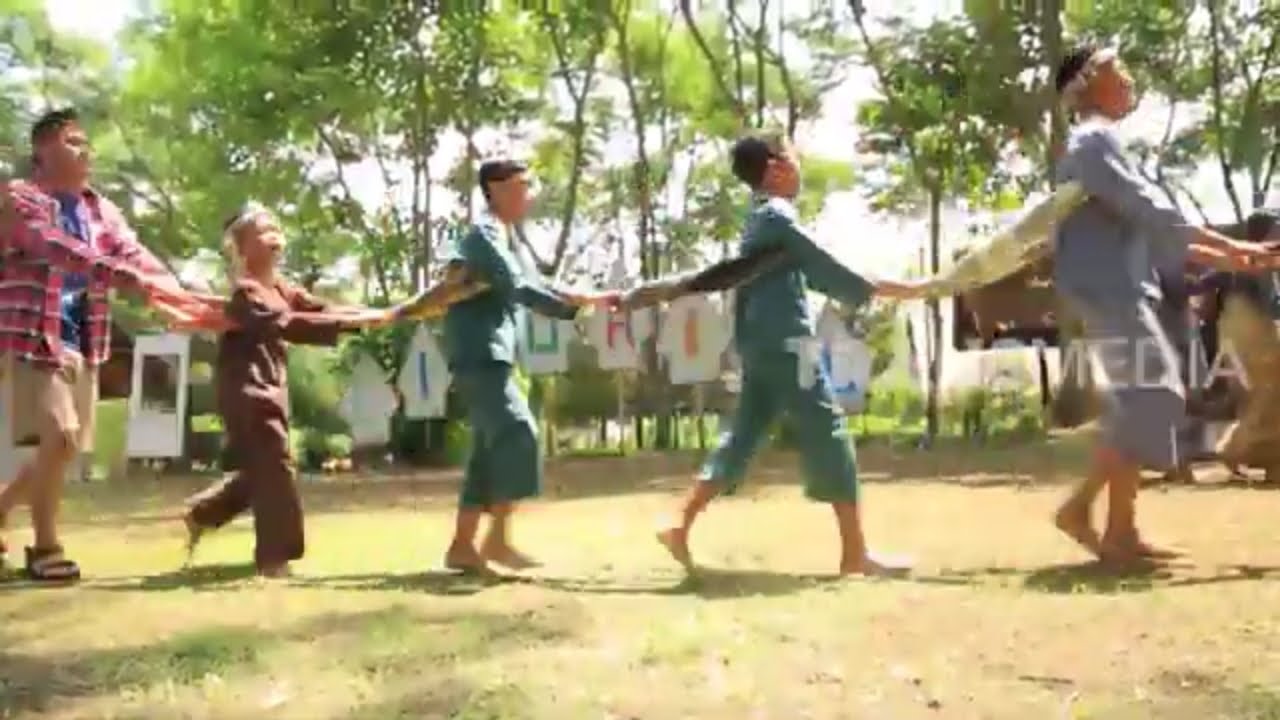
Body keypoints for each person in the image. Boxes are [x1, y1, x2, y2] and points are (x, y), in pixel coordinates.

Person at [655, 132, 929, 577]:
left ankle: (678, 524)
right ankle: (855, 554)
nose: (800, 169)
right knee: (830, 430)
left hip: (759, 343)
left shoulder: (757, 219)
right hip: (786, 341)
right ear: (776, 168)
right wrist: (904, 288)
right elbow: (828, 265)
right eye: (795, 160)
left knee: (743, 434)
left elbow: (814, 271)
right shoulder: (777, 216)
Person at [1049, 46, 1280, 569]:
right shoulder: (1093, 142)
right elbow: (1157, 214)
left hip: (1122, 286)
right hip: (1109, 289)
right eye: (1117, 70)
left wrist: (1235, 255)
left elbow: (1161, 228)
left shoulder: (1103, 144)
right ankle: (1080, 509)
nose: (1129, 79)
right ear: (1087, 84)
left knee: (1143, 398)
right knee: (1154, 395)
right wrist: (1237, 252)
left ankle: (1121, 531)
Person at [0, 107, 214, 581]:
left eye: (86, 143)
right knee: (61, 434)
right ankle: (45, 549)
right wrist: (125, 276)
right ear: (43, 150)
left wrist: (183, 298)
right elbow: (50, 246)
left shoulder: (101, 210)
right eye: (73, 142)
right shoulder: (21, 198)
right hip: (38, 333)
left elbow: (137, 256)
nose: (85, 151)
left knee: (62, 448)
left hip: (87, 338)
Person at [180, 203, 392, 578]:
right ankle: (273, 558)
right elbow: (290, 324)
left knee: (266, 466)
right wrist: (348, 323)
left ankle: (203, 514)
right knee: (274, 464)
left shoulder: (280, 287)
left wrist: (368, 316)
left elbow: (318, 309)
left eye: (276, 228)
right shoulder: (246, 293)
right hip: (245, 388)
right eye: (263, 231)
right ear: (243, 247)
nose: (274, 235)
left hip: (269, 384)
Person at [438, 159, 617, 574]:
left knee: (487, 452)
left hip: (491, 356)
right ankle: (497, 540)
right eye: (520, 187)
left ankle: (462, 547)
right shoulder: (484, 234)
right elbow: (516, 285)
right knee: (520, 432)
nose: (528, 196)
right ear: (495, 190)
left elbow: (537, 284)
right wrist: (574, 305)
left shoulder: (507, 237)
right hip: (479, 355)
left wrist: (584, 301)